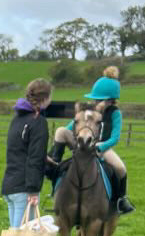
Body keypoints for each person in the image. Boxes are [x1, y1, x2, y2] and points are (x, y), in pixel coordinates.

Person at [48, 66, 134, 212]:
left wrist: (101, 146)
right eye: (95, 100)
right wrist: (70, 134)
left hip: (102, 147)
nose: (95, 103)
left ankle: (121, 199)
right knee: (61, 131)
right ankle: (53, 162)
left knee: (121, 168)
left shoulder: (115, 113)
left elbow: (115, 137)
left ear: (109, 101)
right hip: (81, 143)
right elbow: (70, 127)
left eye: (99, 100)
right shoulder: (88, 111)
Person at [0, 78, 52, 236]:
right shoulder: (38, 122)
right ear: (45, 98)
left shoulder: (17, 119)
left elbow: (19, 151)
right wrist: (33, 189)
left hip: (10, 182)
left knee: (14, 230)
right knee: (17, 233)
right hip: (23, 186)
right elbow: (34, 158)